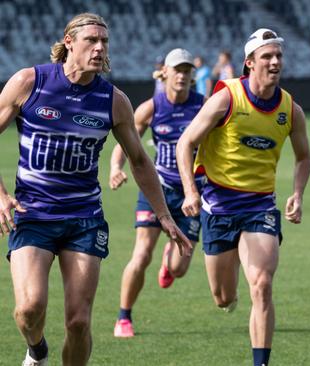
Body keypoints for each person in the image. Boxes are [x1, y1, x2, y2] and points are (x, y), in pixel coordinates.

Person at [0, 13, 192, 366]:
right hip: (32, 214)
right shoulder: (30, 81)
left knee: (78, 321)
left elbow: (138, 159)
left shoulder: (112, 100)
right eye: (92, 40)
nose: (100, 47)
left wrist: (163, 214)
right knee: (29, 309)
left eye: (105, 41)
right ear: (69, 42)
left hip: (83, 219)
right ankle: (37, 350)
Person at [176, 28, 310, 366]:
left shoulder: (290, 109)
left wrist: (297, 192)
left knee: (262, 284)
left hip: (259, 205)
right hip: (218, 206)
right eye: (267, 55)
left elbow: (304, 156)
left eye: (278, 55)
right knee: (223, 297)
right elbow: (185, 143)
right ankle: (230, 285)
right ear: (249, 63)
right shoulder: (226, 98)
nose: (275, 61)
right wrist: (191, 191)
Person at [110, 48, 205, 338]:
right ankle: (124, 317)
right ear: (164, 72)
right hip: (157, 190)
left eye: (187, 71)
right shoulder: (151, 108)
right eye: (177, 70)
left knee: (179, 268)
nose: (182, 75)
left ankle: (170, 261)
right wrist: (116, 167)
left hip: (192, 194)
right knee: (141, 254)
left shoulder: (205, 106)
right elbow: (126, 142)